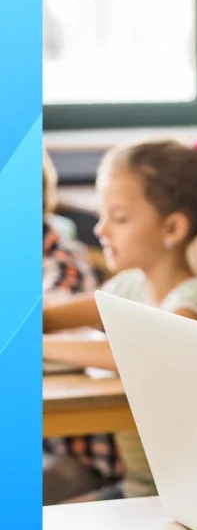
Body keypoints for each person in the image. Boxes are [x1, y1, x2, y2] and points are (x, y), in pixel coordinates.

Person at [43, 135, 197, 497]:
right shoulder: (129, 287)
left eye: (119, 218)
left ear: (172, 229)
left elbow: (141, 354)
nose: (101, 229)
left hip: (194, 495)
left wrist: (40, 347)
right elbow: (49, 317)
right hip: (138, 487)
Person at [42, 147, 121, 505]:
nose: (100, 229)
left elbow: (42, 321)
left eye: (117, 218)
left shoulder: (62, 264)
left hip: (78, 453)